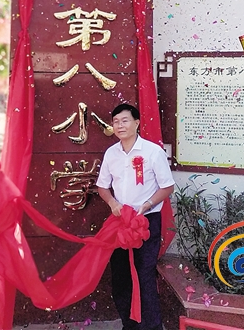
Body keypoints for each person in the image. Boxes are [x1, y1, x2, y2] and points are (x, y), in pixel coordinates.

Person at [96, 103, 175, 330]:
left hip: (146, 221)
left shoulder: (152, 152)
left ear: (137, 123)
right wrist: (112, 203)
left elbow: (167, 187)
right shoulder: (111, 153)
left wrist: (147, 204)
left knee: (144, 275)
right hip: (120, 223)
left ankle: (151, 326)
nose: (120, 125)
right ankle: (128, 325)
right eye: (116, 121)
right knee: (120, 276)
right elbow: (103, 187)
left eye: (125, 120)